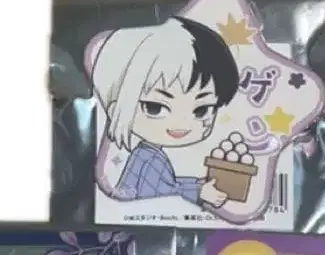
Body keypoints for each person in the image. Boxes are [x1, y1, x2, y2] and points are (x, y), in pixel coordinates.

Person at [91, 16, 239, 207]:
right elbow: (157, 193)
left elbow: (167, 185)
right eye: (155, 107)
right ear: (114, 109)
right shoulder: (148, 157)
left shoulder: (149, 153)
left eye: (201, 110)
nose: (182, 123)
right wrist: (198, 192)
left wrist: (197, 184)